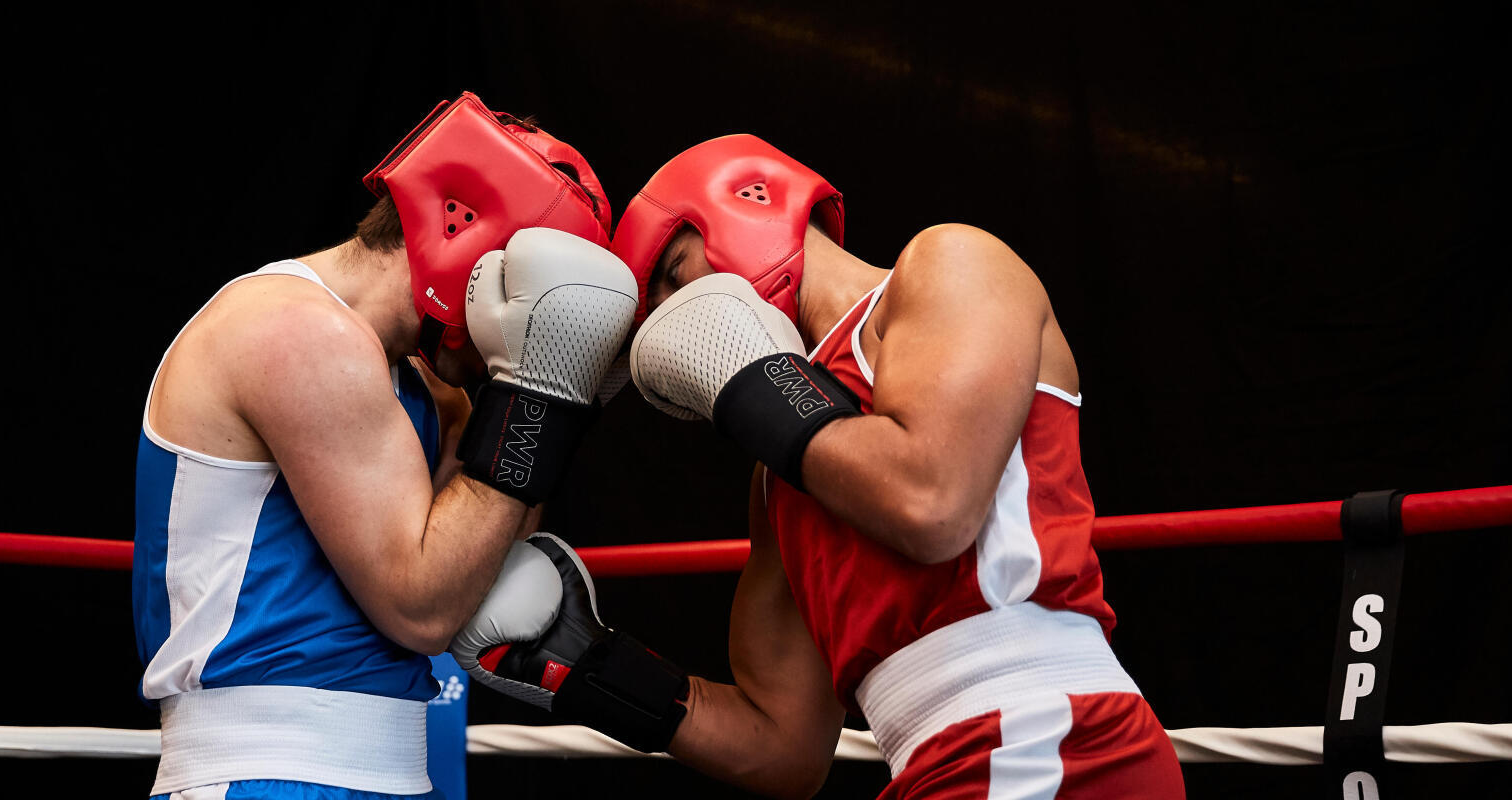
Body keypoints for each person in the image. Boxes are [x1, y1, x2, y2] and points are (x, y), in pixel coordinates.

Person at [454, 135, 1184, 798]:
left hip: (1050, 744)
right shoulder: (783, 474)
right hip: (945, 767)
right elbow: (785, 748)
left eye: (676, 277)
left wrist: (754, 381)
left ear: (754, 201)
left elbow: (933, 505)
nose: (674, 318)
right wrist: (587, 668)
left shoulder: (951, 264)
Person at [133, 92, 638, 800]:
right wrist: (539, 395)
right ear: (466, 229)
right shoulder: (295, 330)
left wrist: (560, 405)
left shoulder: (418, 384)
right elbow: (422, 607)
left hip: (384, 770)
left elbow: (471, 570)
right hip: (274, 773)